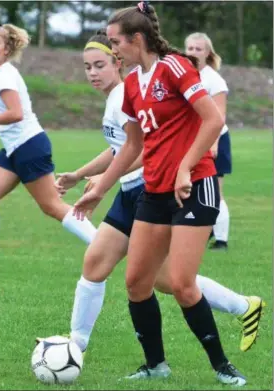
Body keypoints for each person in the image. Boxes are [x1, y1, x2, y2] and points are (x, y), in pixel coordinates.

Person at [36, 29, 264, 357]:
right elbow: (118, 149)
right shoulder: (119, 98)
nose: (92, 73)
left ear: (118, 62)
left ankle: (244, 307)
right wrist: (82, 174)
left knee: (170, 280)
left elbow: (143, 150)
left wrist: (102, 182)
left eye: (100, 65)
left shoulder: (128, 94)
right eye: (87, 67)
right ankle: (76, 346)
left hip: (149, 191)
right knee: (101, 265)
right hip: (129, 193)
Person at [73, 3, 248, 385]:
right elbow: (132, 147)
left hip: (194, 187)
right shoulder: (133, 82)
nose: (112, 47)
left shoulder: (175, 67)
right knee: (137, 283)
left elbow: (213, 119)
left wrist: (186, 165)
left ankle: (222, 366)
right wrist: (99, 189)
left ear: (136, 39)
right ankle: (156, 366)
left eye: (116, 41)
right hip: (155, 190)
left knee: (183, 285)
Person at [0, 24, 97, 278]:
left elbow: (16, 113)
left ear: (6, 49)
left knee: (51, 205)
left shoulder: (5, 74)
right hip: (14, 149)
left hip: (29, 145)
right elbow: (10, 114)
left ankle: (102, 244)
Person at [185, 32, 231, 250]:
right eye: (190, 48)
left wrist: (212, 144)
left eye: (198, 49)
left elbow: (219, 117)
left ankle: (221, 239)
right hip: (194, 141)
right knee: (197, 190)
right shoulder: (185, 74)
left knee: (216, 190)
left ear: (208, 53)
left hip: (215, 140)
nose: (193, 52)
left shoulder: (214, 80)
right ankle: (206, 230)